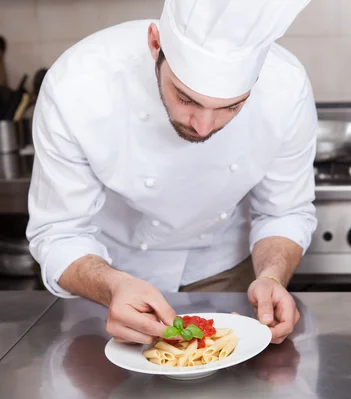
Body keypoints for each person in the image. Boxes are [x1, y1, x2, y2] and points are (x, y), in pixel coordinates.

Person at [25, 0, 318, 346]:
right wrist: (111, 287)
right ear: (155, 44)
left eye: (231, 107)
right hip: (110, 277)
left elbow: (283, 212)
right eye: (186, 98)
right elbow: (59, 232)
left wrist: (272, 278)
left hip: (224, 273)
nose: (204, 126)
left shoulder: (286, 88)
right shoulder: (77, 85)